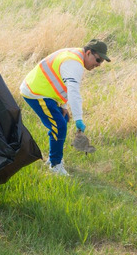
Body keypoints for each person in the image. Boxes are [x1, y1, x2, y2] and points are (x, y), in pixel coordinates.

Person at [20, 39, 110, 176]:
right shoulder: (74, 64)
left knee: (61, 121)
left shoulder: (75, 56)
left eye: (101, 62)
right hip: (36, 92)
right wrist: (79, 119)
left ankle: (53, 159)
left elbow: (62, 83)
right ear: (89, 53)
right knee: (59, 125)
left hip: (45, 92)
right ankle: (55, 165)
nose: (98, 65)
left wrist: (63, 106)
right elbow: (73, 92)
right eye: (98, 60)